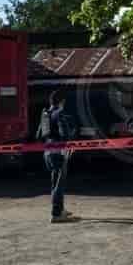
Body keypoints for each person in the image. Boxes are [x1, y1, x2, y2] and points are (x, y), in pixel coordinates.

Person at [37, 90, 77, 223]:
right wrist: (71, 134)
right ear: (62, 102)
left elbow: (38, 136)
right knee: (59, 185)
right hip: (59, 154)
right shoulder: (59, 114)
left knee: (55, 183)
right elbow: (64, 135)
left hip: (47, 153)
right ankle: (56, 214)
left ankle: (60, 210)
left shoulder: (45, 114)